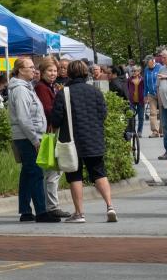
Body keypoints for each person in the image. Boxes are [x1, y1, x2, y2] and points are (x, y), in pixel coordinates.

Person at [50, 59, 118, 224]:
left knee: (75, 176)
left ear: (70, 74)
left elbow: (56, 119)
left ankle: (79, 213)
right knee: (99, 172)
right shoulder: (95, 91)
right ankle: (110, 206)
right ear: (86, 72)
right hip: (94, 139)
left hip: (72, 141)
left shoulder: (64, 92)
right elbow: (103, 114)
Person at [8, 57, 59, 223]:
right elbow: (24, 118)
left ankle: (25, 210)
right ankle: (41, 211)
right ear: (21, 70)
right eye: (30, 67)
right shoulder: (21, 90)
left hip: (28, 136)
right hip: (28, 137)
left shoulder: (25, 88)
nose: (34, 70)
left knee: (28, 173)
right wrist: (35, 140)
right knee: (36, 173)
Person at [34, 56, 63, 216]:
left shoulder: (50, 87)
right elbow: (48, 109)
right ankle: (52, 207)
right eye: (49, 70)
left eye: (54, 70)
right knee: (52, 171)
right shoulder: (42, 88)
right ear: (43, 72)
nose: (53, 73)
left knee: (53, 171)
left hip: (50, 133)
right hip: (48, 134)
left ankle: (52, 205)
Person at [144, 53, 163, 137]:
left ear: (153, 61)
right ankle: (155, 131)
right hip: (151, 94)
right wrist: (145, 95)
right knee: (152, 113)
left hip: (160, 92)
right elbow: (145, 82)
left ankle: (162, 131)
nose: (147, 64)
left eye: (148, 62)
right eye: (146, 63)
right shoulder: (146, 69)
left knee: (162, 112)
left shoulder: (160, 68)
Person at [126, 64, 145, 137]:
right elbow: (127, 89)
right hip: (131, 100)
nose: (133, 72)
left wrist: (146, 97)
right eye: (132, 71)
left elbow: (145, 89)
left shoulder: (142, 80)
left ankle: (139, 131)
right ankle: (132, 131)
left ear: (139, 71)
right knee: (131, 116)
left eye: (135, 71)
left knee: (141, 117)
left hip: (141, 99)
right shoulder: (129, 80)